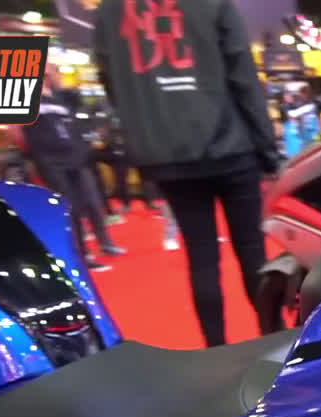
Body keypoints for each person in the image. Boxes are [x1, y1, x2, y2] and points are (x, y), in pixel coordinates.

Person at [94, 0, 278, 347]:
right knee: (253, 251)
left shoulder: (110, 10)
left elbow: (111, 82)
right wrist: (268, 150)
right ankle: (275, 343)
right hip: (231, 145)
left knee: (201, 256)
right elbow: (243, 76)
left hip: (166, 153)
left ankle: (215, 349)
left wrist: (145, 132)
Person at [23, 63, 125, 271]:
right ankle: (82, 255)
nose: (50, 76)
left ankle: (105, 243)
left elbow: (76, 117)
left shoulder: (62, 98)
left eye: (51, 73)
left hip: (75, 157)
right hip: (51, 162)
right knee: (71, 209)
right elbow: (18, 132)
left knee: (92, 202)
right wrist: (35, 157)